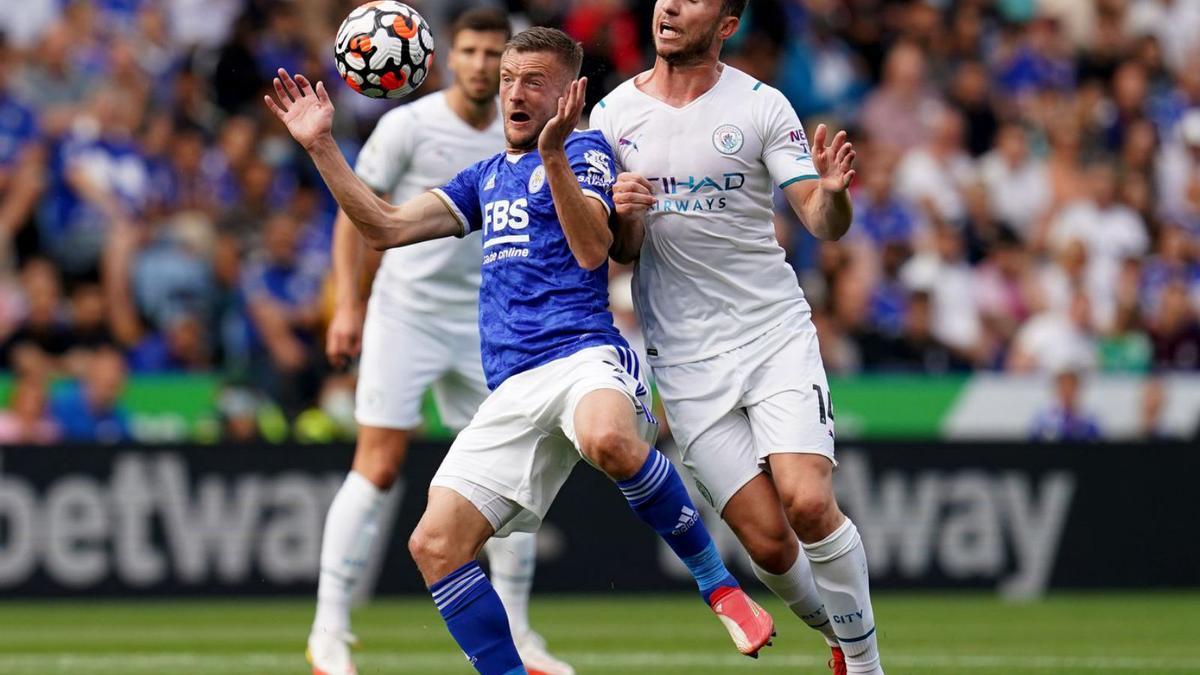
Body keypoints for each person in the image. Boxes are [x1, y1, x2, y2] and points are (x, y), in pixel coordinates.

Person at [265, 26, 774, 675]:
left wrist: (555, 154)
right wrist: (321, 147)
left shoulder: (586, 150)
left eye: (533, 81)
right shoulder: (483, 177)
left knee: (608, 440)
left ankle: (720, 586)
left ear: (571, 92)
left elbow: (594, 249)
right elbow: (384, 226)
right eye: (508, 80)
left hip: (585, 355)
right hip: (512, 385)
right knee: (435, 543)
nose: (514, 92)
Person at [591, 1, 884, 673]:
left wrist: (835, 192)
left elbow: (821, 219)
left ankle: (867, 665)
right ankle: (838, 634)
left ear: (727, 23)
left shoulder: (760, 104)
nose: (668, 5)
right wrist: (626, 216)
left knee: (809, 501)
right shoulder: (611, 116)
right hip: (686, 358)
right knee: (771, 547)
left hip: (771, 333)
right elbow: (623, 251)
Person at [309, 10, 572, 675]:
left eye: (495, 54)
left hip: (490, 320)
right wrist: (349, 303)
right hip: (406, 314)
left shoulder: (534, 131)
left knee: (506, 479)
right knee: (379, 464)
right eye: (472, 52)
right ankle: (329, 629)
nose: (484, 66)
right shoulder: (408, 125)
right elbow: (358, 215)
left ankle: (520, 631)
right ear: (447, 58)